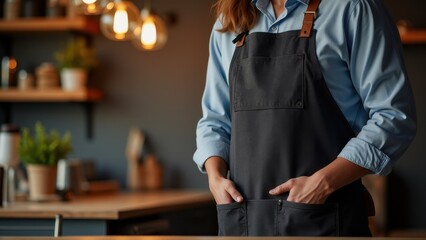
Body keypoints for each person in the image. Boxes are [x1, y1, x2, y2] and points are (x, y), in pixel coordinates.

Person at [194, 0, 417, 236]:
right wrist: (215, 178)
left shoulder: (352, 9)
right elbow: (215, 121)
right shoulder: (230, 21)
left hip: (326, 220)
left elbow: (393, 116)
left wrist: (323, 183)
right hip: (245, 223)